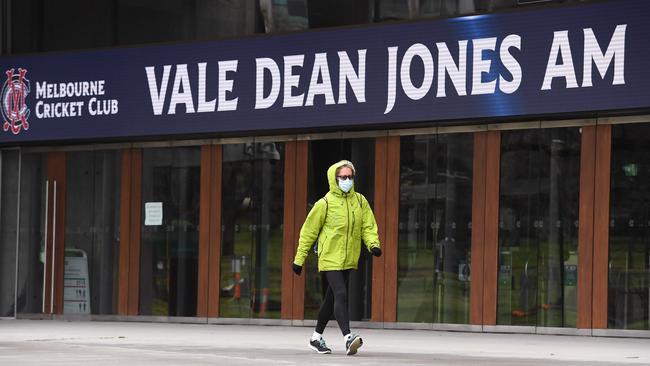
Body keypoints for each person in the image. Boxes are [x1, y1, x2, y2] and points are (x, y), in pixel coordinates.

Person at [292, 160, 382, 355]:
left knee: (331, 299)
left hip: (349, 258)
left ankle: (316, 337)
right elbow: (308, 232)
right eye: (343, 177)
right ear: (335, 178)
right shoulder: (324, 203)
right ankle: (348, 338)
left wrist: (373, 244)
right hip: (330, 256)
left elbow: (368, 225)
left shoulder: (360, 201)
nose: (347, 180)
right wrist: (299, 259)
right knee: (340, 293)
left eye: (350, 177)